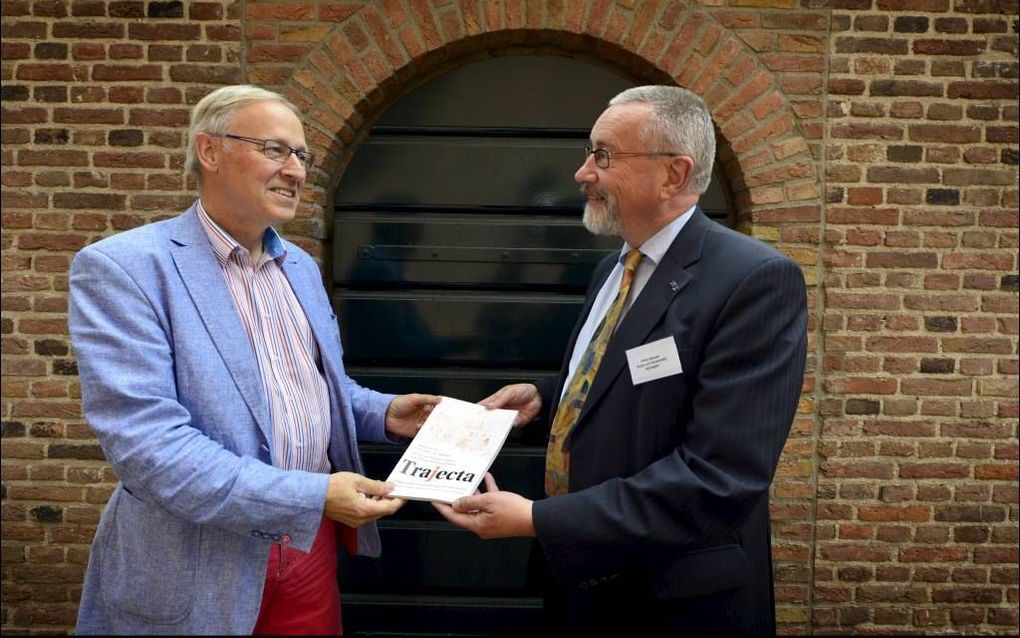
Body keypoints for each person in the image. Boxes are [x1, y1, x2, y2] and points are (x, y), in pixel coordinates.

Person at [435, 85, 808, 636]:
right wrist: (548, 393)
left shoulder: (755, 280)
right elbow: (629, 376)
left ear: (674, 175)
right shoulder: (612, 270)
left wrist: (539, 520)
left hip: (675, 603)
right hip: (582, 587)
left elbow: (722, 477)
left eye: (603, 156)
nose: (583, 173)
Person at [68, 85, 440, 635]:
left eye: (302, 156)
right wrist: (312, 495)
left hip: (309, 553)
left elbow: (304, 388)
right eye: (275, 150)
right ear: (210, 151)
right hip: (194, 562)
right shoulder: (124, 268)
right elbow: (148, 448)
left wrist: (385, 413)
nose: (296, 170)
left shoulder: (300, 270)